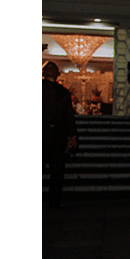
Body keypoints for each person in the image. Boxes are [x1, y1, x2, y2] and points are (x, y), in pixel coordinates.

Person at [42, 62, 78, 208]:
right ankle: (55, 200)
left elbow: (69, 116)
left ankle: (55, 200)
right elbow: (69, 116)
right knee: (57, 171)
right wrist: (73, 135)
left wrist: (73, 134)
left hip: (47, 134)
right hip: (56, 135)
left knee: (56, 170)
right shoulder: (63, 92)